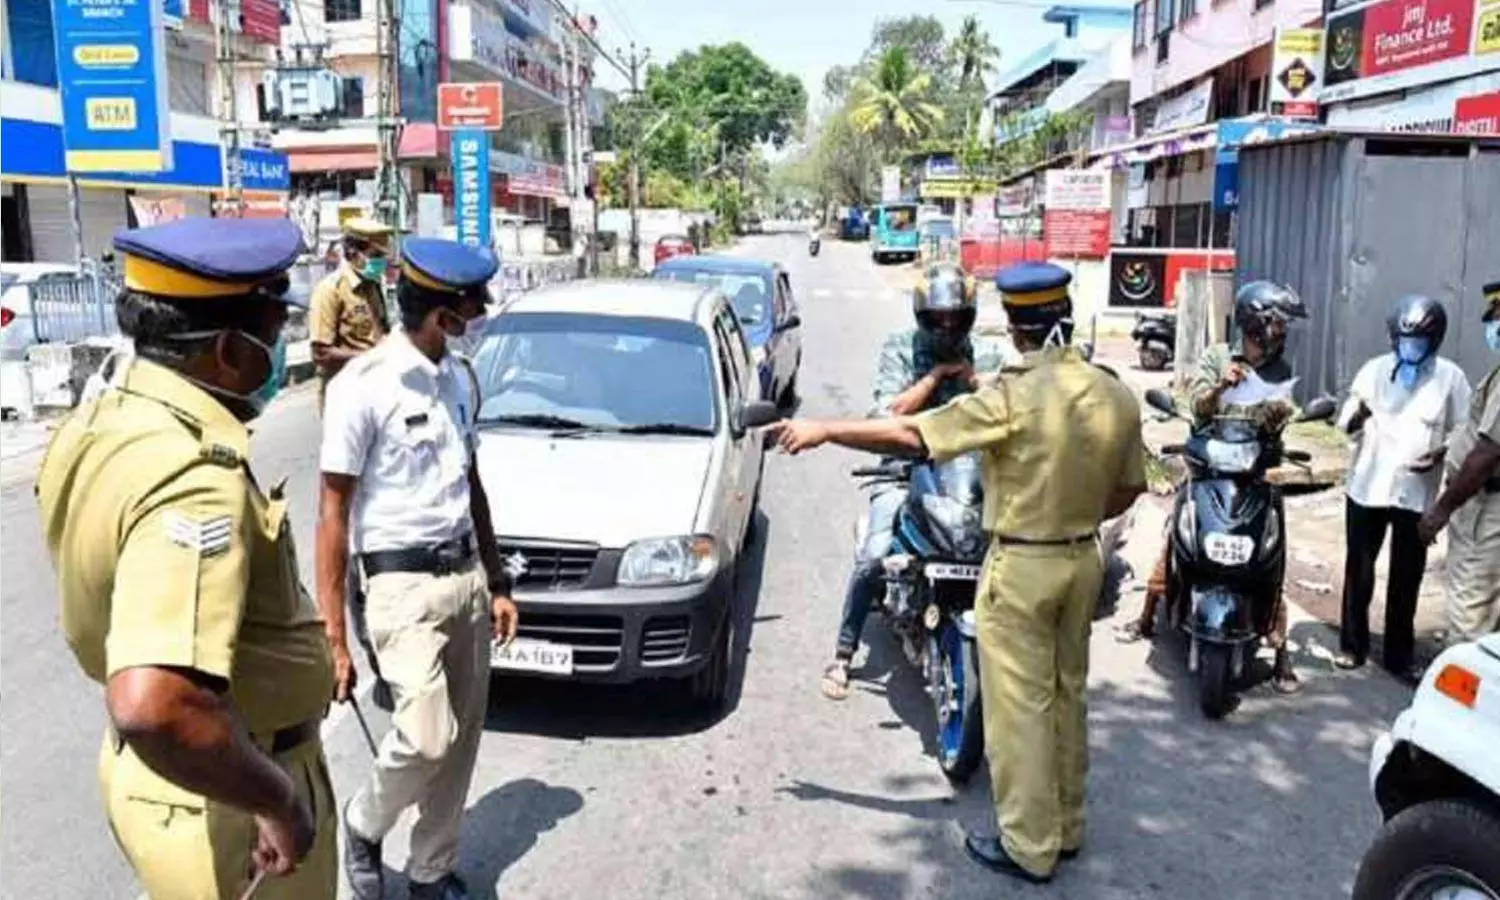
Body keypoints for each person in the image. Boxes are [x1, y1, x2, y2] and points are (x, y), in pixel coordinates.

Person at [771, 262, 1146, 883]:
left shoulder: (1011, 393)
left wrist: (824, 430)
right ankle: (1068, 825)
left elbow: (914, 437)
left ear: (1015, 327)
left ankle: (1030, 845)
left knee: (1019, 708)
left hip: (1024, 563)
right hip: (1083, 559)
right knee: (1068, 693)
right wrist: (1074, 516)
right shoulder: (1112, 392)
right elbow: (1128, 488)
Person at [35, 218, 336, 898]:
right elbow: (156, 705)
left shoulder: (108, 419)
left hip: (169, 781)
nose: (279, 349)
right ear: (228, 351)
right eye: (271, 332)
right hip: (231, 796)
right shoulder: (193, 476)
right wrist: (279, 801)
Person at [317, 236, 519, 900]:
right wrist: (334, 637)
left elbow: (474, 484)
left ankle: (432, 869)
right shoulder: (363, 386)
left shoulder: (459, 379)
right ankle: (363, 821)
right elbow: (332, 515)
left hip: (463, 578)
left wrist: (496, 580)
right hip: (398, 586)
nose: (482, 310)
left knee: (461, 743)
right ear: (441, 314)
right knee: (428, 735)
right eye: (472, 302)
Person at [820, 261, 1019, 700]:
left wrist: (972, 379)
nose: (947, 327)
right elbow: (887, 416)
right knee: (875, 554)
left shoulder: (986, 353)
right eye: (938, 319)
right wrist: (933, 378)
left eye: (955, 318)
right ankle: (844, 653)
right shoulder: (901, 349)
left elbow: (1008, 406)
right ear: (922, 316)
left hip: (969, 479)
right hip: (905, 468)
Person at [1117, 279, 1306, 692]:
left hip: (1253, 473)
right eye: (1276, 325)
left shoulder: (1280, 369)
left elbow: (1280, 423)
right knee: (1177, 537)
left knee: (1272, 552)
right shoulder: (1218, 356)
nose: (1280, 333)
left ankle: (1280, 647)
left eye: (1282, 327)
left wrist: (1277, 413)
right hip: (1209, 468)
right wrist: (1223, 385)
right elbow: (1197, 406)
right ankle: (1147, 613)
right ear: (1254, 323)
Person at [1335, 295, 1471, 677]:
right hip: (1368, 486)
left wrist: (1442, 451)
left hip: (1416, 491)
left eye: (1419, 341)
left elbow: (1464, 428)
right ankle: (1352, 645)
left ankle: (1399, 656)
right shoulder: (1374, 371)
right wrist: (1356, 418)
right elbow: (1346, 416)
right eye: (1405, 340)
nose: (1411, 347)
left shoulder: (1450, 378)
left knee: (1406, 577)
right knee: (1359, 570)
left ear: (1435, 340)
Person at [1418, 279, 1500, 641]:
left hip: (1487, 510)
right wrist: (1446, 450)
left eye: (1496, 317)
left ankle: (1459, 694)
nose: (1492, 326)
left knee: (1469, 618)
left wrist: (1440, 511)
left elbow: (1486, 454)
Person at [308, 216, 394, 409]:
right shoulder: (330, 290)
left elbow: (381, 330)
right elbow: (321, 354)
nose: (381, 262)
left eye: (383, 257)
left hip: (376, 389)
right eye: (375, 256)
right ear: (353, 253)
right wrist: (371, 356)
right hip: (344, 393)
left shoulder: (373, 287)